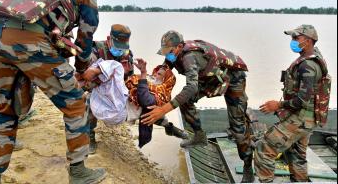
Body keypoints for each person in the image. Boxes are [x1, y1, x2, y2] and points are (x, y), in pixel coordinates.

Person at [0, 0, 104, 184]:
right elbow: (86, 35)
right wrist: (82, 67)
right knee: (75, 102)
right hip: (26, 40)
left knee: (4, 109)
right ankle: (78, 171)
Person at [141, 30, 255, 183]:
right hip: (212, 78)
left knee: (238, 126)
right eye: (165, 52)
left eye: (170, 51)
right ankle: (200, 136)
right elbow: (169, 61)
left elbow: (191, 88)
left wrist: (163, 109)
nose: (168, 55)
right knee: (186, 101)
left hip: (234, 78)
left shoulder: (189, 58)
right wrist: (162, 71)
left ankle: (248, 168)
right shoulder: (177, 52)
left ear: (180, 46)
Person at [255, 25, 330, 183]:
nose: (293, 41)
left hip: (300, 118)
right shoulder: (313, 56)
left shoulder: (307, 65)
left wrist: (278, 105)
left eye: (296, 38)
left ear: (308, 41)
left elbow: (302, 99)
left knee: (265, 148)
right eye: (292, 38)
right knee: (297, 156)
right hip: (307, 119)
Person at [87, 24, 134, 154]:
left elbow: (129, 78)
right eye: (117, 46)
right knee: (87, 102)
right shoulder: (95, 51)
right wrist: (103, 78)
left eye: (123, 47)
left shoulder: (127, 55)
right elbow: (86, 79)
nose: (120, 50)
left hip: (116, 90)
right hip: (97, 88)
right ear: (109, 39)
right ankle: (89, 135)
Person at [127, 58, 188, 148]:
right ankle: (171, 129)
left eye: (159, 74)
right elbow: (131, 79)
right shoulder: (149, 80)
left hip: (136, 114)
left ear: (165, 80)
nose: (155, 75)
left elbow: (146, 101)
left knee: (157, 116)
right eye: (156, 72)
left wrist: (143, 77)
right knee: (160, 119)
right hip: (136, 110)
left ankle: (172, 130)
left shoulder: (161, 93)